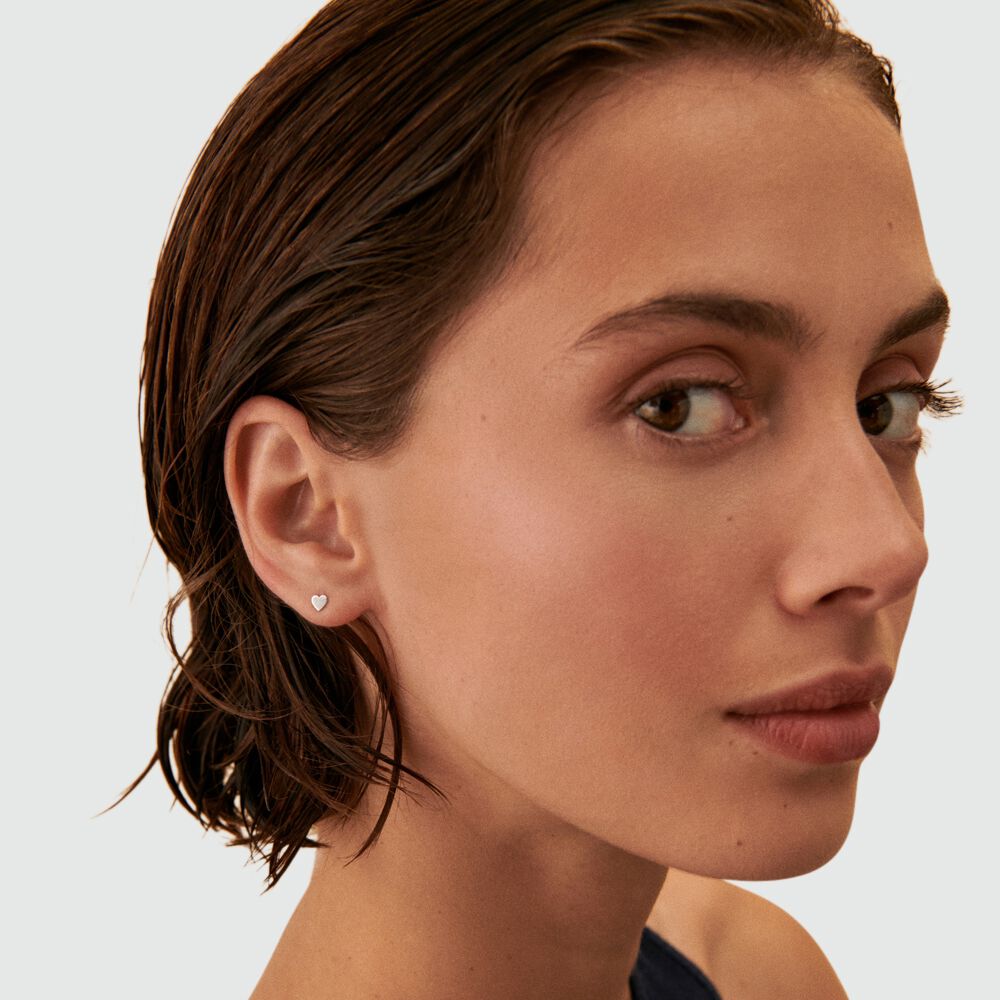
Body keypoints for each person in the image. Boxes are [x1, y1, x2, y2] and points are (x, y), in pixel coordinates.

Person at [128, 2, 963, 997]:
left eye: (883, 405)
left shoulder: (751, 973)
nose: (885, 548)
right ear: (304, 513)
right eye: (680, 405)